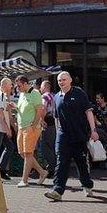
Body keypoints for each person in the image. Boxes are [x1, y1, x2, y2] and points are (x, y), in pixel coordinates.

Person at [44, 71, 98, 201]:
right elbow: (56, 118)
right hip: (63, 136)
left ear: (70, 81)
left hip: (79, 135)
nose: (61, 82)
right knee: (61, 162)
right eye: (59, 80)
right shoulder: (57, 97)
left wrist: (93, 130)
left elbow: (88, 112)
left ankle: (87, 185)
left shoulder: (79, 94)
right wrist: (58, 134)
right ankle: (57, 190)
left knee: (81, 164)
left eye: (63, 80)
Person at [15, 76, 48, 187]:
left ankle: (24, 180)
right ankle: (42, 172)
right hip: (21, 127)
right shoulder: (22, 94)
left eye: (19, 86)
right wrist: (15, 108)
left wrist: (33, 125)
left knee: (28, 153)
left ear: (25, 84)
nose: (17, 88)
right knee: (22, 153)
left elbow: (40, 110)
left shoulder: (35, 93)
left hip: (30, 128)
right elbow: (23, 109)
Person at [38, 80, 57, 176]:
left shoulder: (45, 96)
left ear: (45, 87)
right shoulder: (53, 96)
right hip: (53, 123)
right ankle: (54, 167)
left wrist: (41, 120)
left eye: (41, 87)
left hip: (47, 123)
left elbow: (43, 108)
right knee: (52, 146)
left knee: (45, 147)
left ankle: (51, 168)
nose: (40, 89)